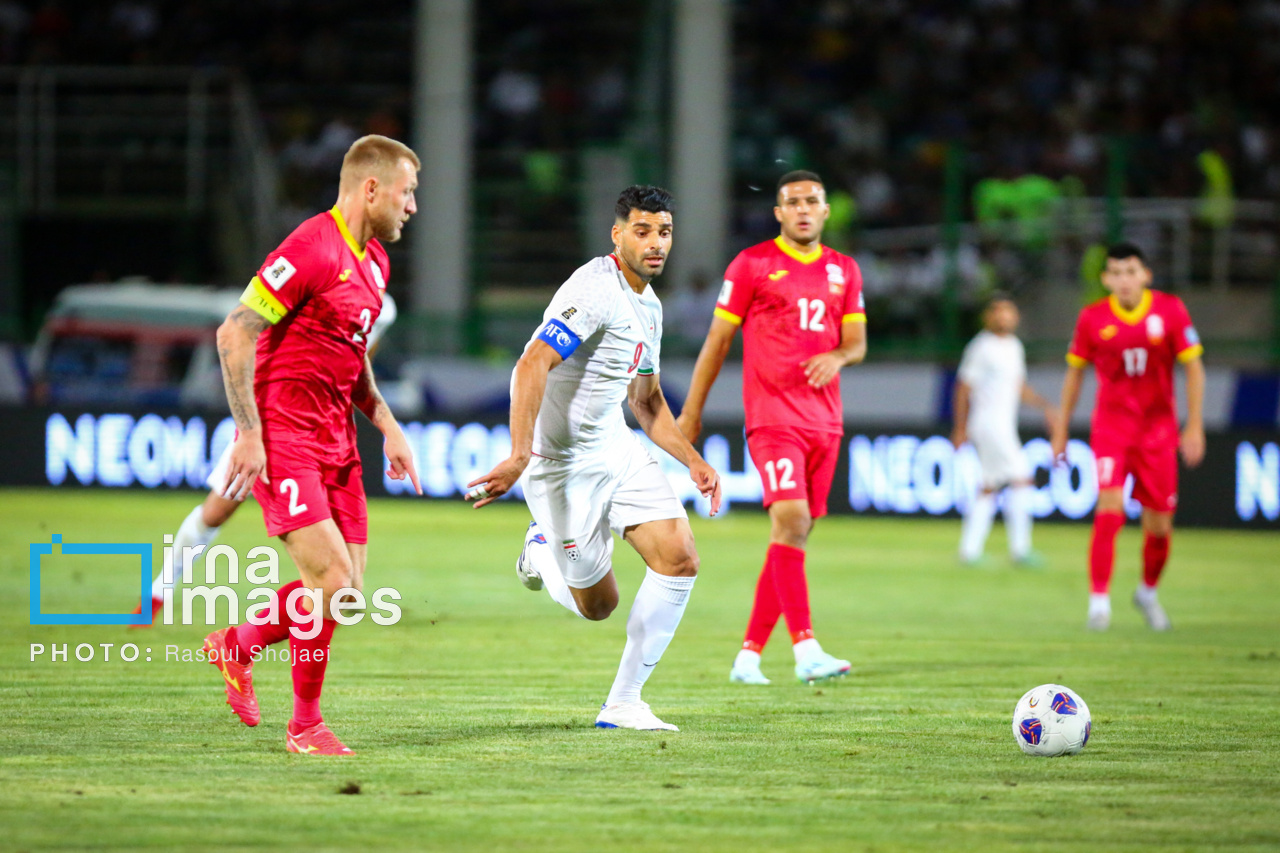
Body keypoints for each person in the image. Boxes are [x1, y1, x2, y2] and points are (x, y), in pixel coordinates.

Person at [465, 185, 722, 732]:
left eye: (665, 232)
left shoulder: (650, 308)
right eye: (643, 231)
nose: (656, 244)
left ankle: (624, 703)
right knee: (598, 606)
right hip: (560, 465)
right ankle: (539, 550)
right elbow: (531, 364)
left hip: (617, 449)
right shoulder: (594, 289)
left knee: (679, 559)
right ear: (618, 234)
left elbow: (646, 401)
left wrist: (692, 460)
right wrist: (518, 456)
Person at [202, 135, 422, 755]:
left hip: (337, 439)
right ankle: (305, 726)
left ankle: (237, 644)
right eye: (406, 193)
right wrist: (250, 433)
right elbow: (234, 334)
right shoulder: (309, 247)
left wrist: (386, 422)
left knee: (346, 594)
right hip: (285, 434)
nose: (411, 207)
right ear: (371, 188)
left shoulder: (375, 263)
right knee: (328, 579)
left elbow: (352, 360)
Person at [675, 170, 867, 686]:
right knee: (792, 520)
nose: (803, 209)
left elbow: (856, 343)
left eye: (812, 201)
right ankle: (806, 651)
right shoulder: (753, 264)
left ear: (826, 211)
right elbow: (717, 342)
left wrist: (838, 358)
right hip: (773, 418)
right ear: (778, 213)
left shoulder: (844, 270)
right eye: (792, 202)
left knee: (792, 535)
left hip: (826, 423)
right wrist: (691, 413)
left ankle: (747, 657)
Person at [134, 294, 397, 623]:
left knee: (340, 579)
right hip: (276, 424)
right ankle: (158, 595)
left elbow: (359, 362)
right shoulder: (314, 274)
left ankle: (257, 637)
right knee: (215, 513)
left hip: (328, 433)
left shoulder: (381, 304)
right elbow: (252, 334)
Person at [1051, 242, 1205, 631]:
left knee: (1159, 526)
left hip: (1158, 433)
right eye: (1115, 273)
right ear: (1105, 279)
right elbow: (1075, 374)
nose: (1123, 280)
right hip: (1112, 430)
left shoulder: (1170, 310)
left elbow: (1194, 368)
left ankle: (1147, 592)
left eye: (1130, 272)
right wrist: (1061, 428)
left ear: (1146, 275)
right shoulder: (1092, 318)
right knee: (1109, 508)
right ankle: (1098, 603)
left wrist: (1195, 423)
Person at [951, 293, 1055, 566]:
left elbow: (1018, 387)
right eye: (997, 311)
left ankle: (970, 551)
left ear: (1016, 317)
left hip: (1003, 424)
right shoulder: (981, 347)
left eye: (1008, 311)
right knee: (1022, 477)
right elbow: (963, 387)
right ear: (988, 317)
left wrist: (1046, 406)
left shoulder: (1014, 347)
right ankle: (1021, 549)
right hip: (987, 424)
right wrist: (960, 427)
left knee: (989, 486)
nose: (1003, 316)